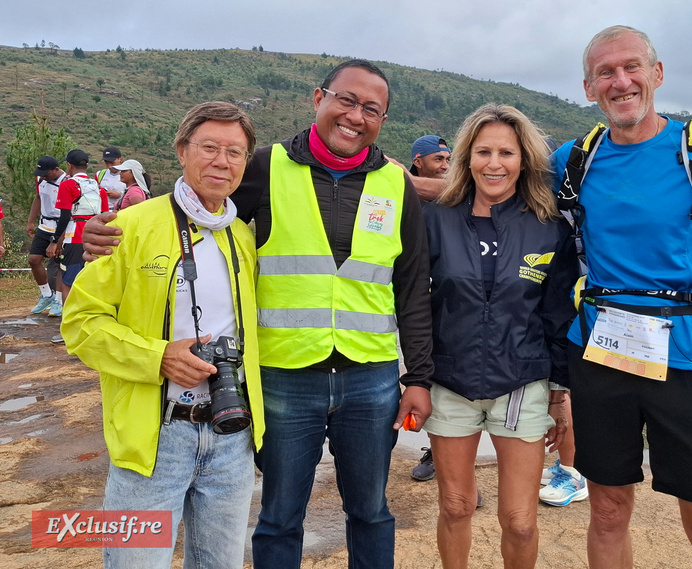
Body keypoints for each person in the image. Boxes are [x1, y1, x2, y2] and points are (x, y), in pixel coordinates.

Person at [81, 59, 433, 569]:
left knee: (372, 512)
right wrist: (115, 228)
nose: (356, 115)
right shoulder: (265, 166)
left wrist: (418, 375)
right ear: (319, 98)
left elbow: (413, 289)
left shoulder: (397, 186)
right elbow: (196, 201)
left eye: (371, 108)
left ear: (383, 119)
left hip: (370, 377)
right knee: (280, 515)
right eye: (346, 100)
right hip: (284, 377)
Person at [550, 26, 692, 568]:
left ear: (657, 74)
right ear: (588, 88)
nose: (621, 81)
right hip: (602, 355)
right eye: (606, 72)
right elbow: (486, 182)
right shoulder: (570, 162)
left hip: (688, 356)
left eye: (632, 67)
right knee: (605, 510)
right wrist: (393, 179)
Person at [61, 101, 265, 569]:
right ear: (181, 151)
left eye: (235, 152)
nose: (222, 161)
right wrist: (157, 357)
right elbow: (81, 323)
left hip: (230, 434)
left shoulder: (244, 238)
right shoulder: (126, 228)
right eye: (209, 147)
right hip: (156, 436)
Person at [423, 103, 572, 569]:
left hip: (521, 382)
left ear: (523, 160)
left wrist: (561, 391)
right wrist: (414, 378)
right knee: (455, 506)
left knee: (521, 520)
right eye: (483, 151)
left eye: (506, 153)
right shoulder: (435, 220)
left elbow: (558, 315)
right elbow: (414, 305)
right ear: (467, 157)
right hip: (450, 381)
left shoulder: (549, 228)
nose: (494, 163)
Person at [407, 133, 451, 482]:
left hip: (448, 308)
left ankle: (447, 460)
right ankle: (435, 449)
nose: (446, 166)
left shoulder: (452, 201)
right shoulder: (403, 199)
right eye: (439, 160)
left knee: (447, 384)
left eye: (449, 160)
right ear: (418, 161)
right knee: (423, 381)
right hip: (411, 306)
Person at [46, 150, 108, 310]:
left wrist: (54, 241)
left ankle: (68, 323)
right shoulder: (99, 188)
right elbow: (106, 215)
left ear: (69, 165)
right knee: (92, 283)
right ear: (87, 165)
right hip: (96, 240)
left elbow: (65, 217)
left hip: (74, 239)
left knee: (68, 283)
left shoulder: (67, 185)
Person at [27, 156, 67, 317]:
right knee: (34, 259)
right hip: (44, 226)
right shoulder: (40, 179)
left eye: (46, 173)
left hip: (62, 227)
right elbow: (38, 198)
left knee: (59, 263)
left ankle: (58, 299)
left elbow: (68, 213)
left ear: (56, 170)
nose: (43, 176)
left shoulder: (67, 182)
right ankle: (46, 295)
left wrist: (59, 239)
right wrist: (30, 221)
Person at [96, 146, 126, 211]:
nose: (109, 166)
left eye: (112, 163)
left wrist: (120, 195)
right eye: (106, 163)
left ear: (120, 159)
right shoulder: (100, 174)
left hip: (120, 211)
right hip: (102, 211)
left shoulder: (127, 175)